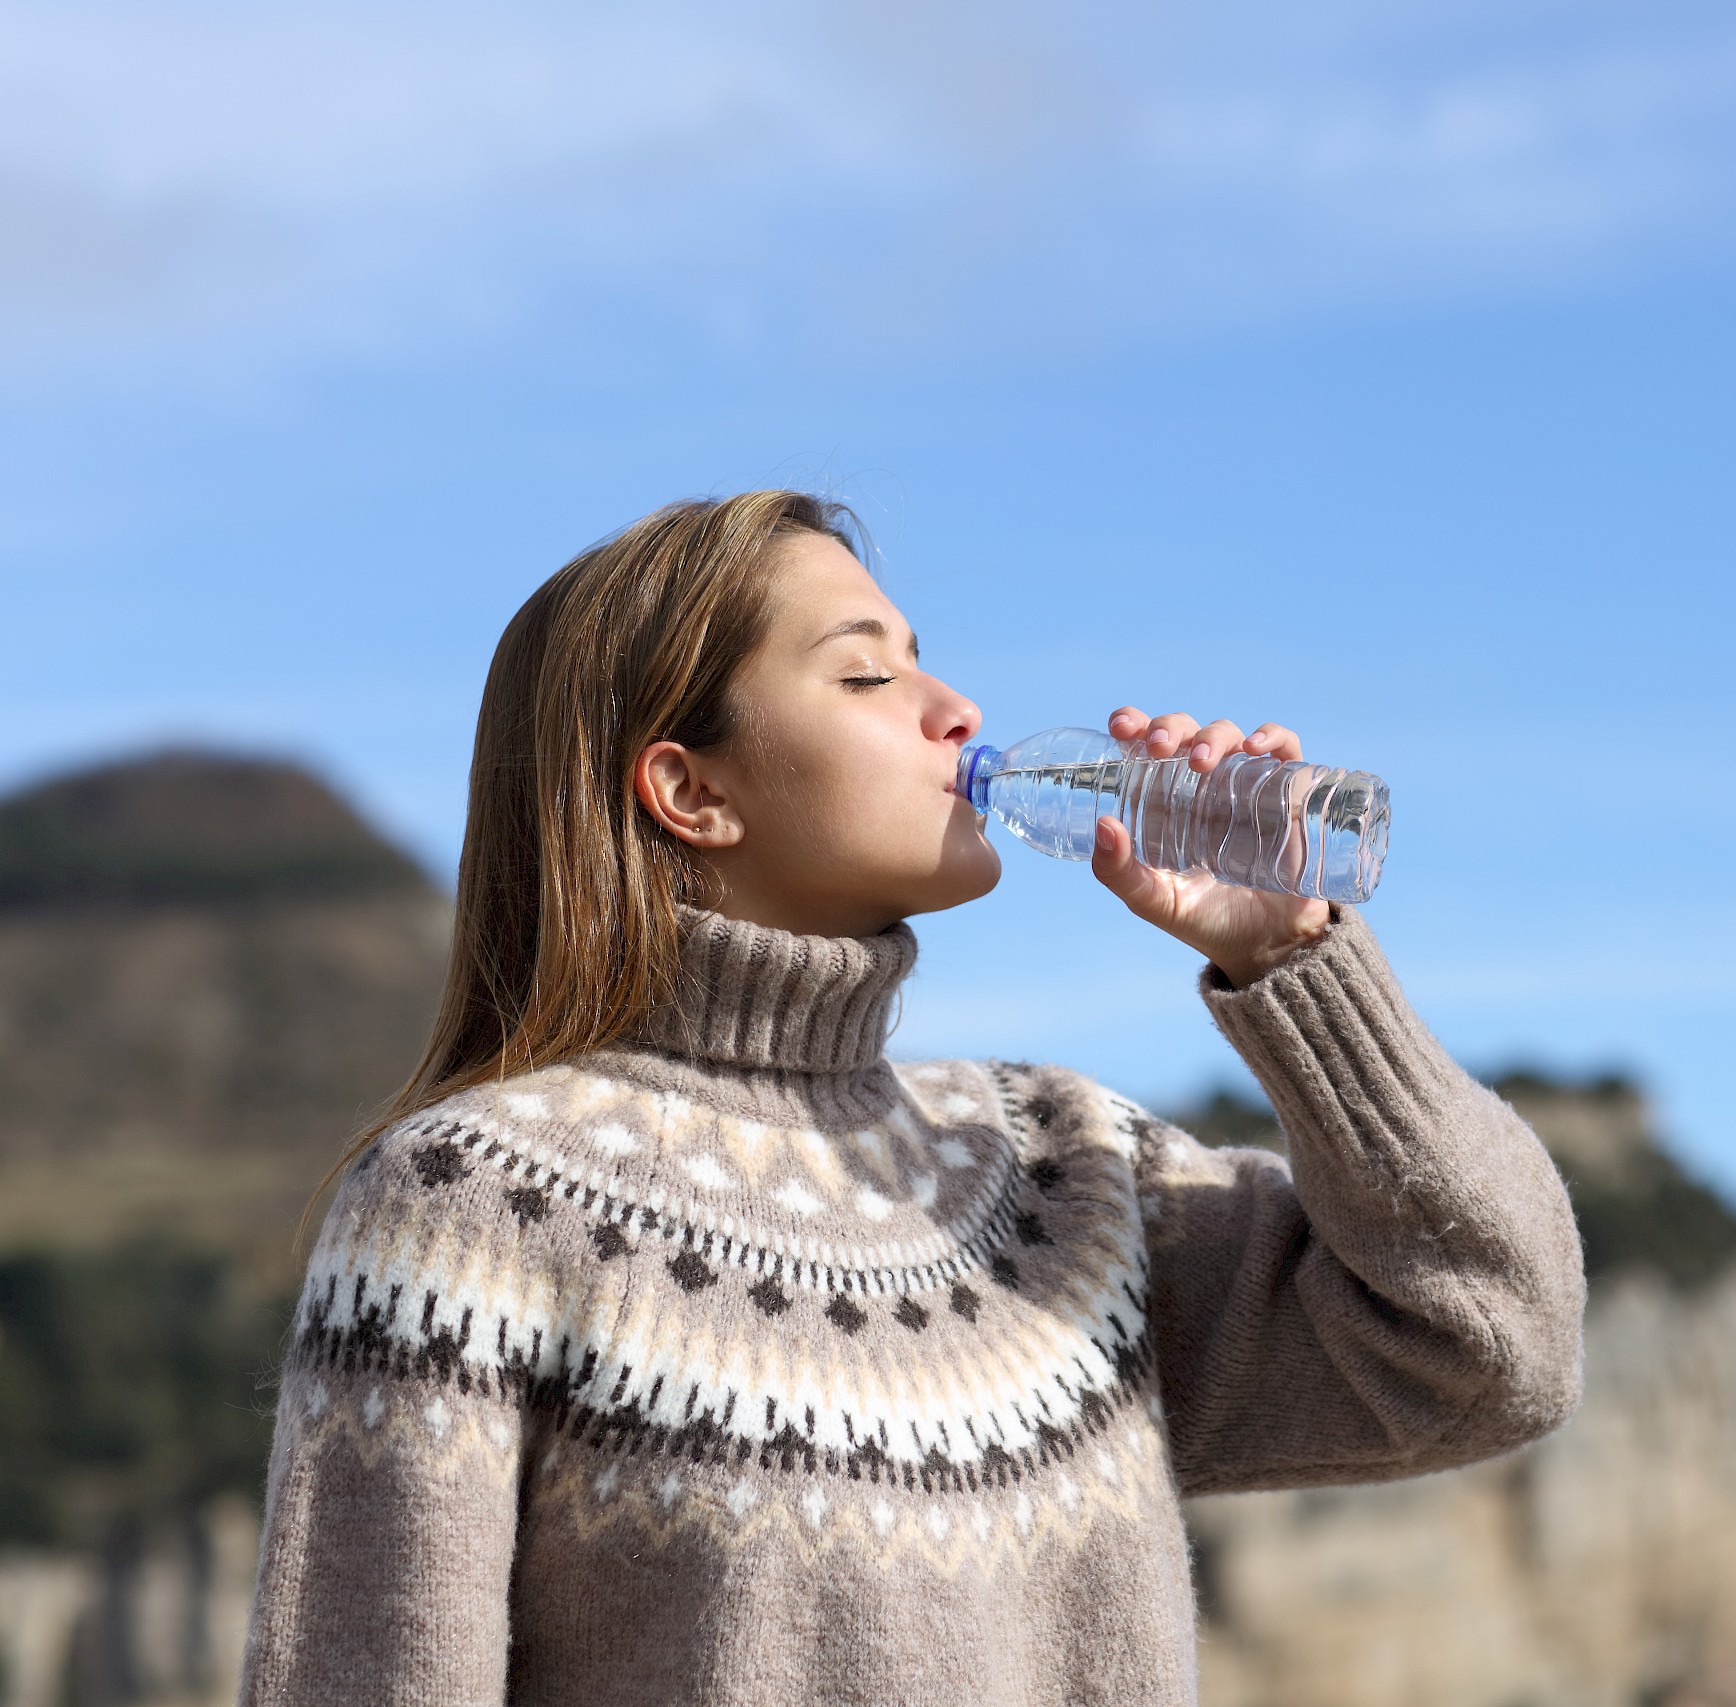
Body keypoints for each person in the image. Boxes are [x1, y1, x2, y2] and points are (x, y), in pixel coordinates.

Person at [238, 490, 1585, 1706]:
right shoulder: (473, 1202)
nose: (954, 711)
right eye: (867, 672)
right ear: (690, 790)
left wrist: (1291, 958)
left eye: (923, 659)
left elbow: (1492, 1353)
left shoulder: (1062, 1166)